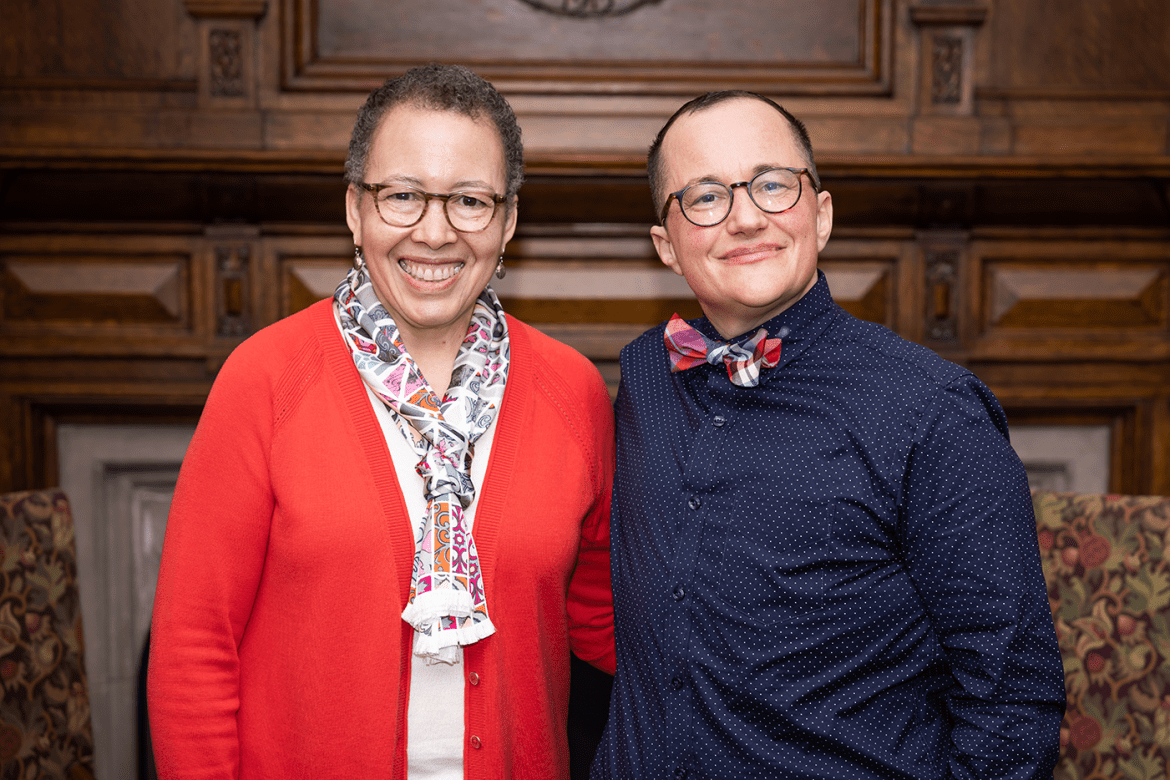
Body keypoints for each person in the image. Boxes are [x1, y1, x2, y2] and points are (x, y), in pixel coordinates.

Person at [148, 63, 616, 779]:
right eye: (402, 196)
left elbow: (609, 621)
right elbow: (193, 647)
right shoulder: (264, 378)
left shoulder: (572, 391)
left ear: (509, 220)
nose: (434, 232)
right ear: (354, 210)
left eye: (469, 200)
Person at [590, 91, 1066, 779]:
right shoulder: (645, 376)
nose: (746, 218)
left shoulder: (933, 413)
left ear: (821, 212)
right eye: (705, 198)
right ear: (666, 244)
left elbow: (1012, 703)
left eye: (773, 185)